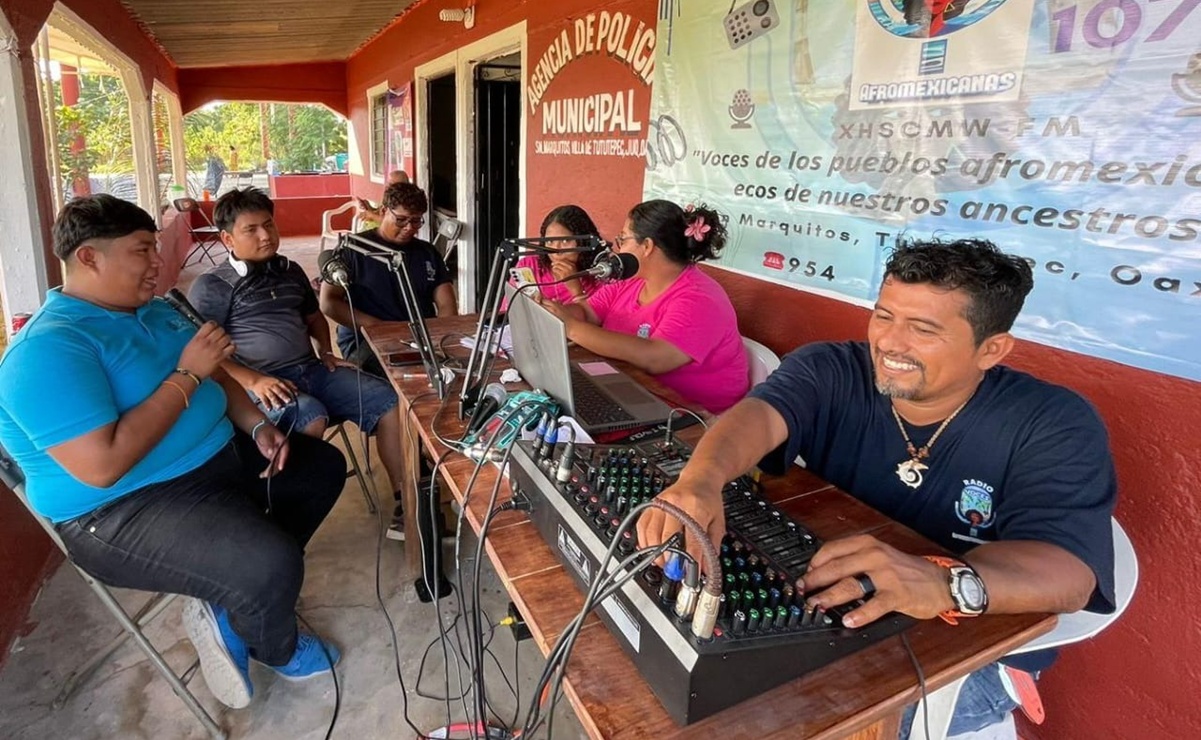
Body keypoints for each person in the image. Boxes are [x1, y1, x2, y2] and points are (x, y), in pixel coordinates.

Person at [636, 237, 1118, 736]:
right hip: (838, 605)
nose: (890, 343)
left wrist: (944, 582)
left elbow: (1070, 574)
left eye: (923, 329)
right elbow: (758, 415)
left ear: (990, 349)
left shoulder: (1052, 421)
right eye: (884, 316)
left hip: (974, 649)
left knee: (768, 721)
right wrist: (701, 480)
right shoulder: (831, 368)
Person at [0, 195, 347, 710]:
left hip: (216, 458)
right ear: (89, 257)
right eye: (142, 250)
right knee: (269, 565)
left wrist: (256, 426)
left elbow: (218, 377)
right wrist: (186, 372)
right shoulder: (47, 350)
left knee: (319, 468)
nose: (157, 261)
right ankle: (274, 644)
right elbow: (103, 465)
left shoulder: (157, 311)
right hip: (123, 508)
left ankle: (230, 599)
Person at [188, 188, 413, 537]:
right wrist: (252, 380)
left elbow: (314, 317)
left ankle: (406, 502)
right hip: (259, 384)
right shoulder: (212, 286)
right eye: (252, 230)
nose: (266, 236)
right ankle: (283, 519)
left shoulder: (290, 271)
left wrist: (326, 351)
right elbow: (204, 352)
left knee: (391, 401)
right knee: (310, 415)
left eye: (269, 225)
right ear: (227, 238)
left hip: (312, 370)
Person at [540, 199, 749, 414]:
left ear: (647, 246)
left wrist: (571, 327)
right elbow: (587, 312)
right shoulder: (632, 280)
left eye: (623, 239)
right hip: (632, 391)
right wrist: (549, 311)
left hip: (692, 417)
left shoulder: (700, 299)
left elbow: (654, 357)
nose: (618, 247)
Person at [321, 180, 456, 378]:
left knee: (454, 371)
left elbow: (446, 304)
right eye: (401, 220)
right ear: (384, 211)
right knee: (404, 377)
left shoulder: (427, 252)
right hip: (368, 339)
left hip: (421, 337)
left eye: (416, 221)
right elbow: (328, 303)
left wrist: (439, 335)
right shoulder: (353, 249)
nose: (409, 227)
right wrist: (382, 328)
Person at [509, 204, 604, 305]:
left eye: (565, 241)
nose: (556, 250)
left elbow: (595, 315)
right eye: (550, 241)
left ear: (584, 242)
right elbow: (506, 310)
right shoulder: (529, 266)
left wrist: (577, 292)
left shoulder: (600, 275)